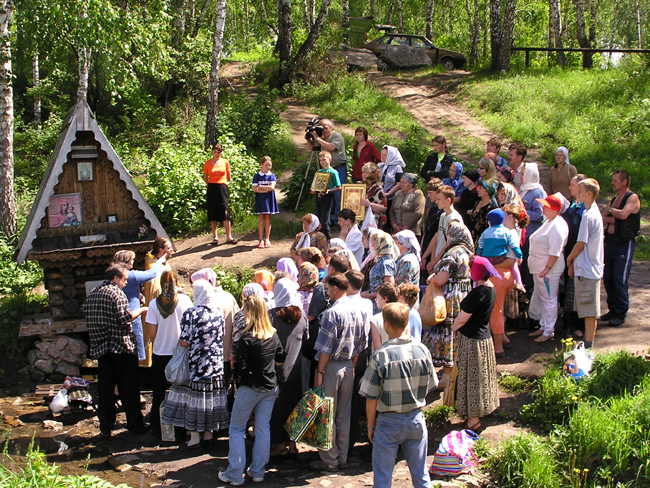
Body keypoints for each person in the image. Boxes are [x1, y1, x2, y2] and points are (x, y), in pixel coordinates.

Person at [360, 302, 437, 488]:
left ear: (386, 324)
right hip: (416, 418)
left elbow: (371, 398)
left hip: (388, 422)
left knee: (383, 477)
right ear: (407, 322)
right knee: (421, 475)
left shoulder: (380, 356)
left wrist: (371, 427)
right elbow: (431, 384)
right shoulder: (422, 350)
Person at [219, 295, 285, 485]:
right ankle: (257, 471)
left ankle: (234, 474)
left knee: (237, 429)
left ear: (250, 312)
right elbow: (280, 358)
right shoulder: (273, 334)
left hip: (250, 387)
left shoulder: (247, 338)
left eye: (245, 309)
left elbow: (240, 367)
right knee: (263, 428)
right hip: (270, 386)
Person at [310, 273, 369, 473]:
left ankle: (329, 459)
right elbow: (361, 344)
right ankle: (342, 456)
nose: (327, 293)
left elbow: (325, 347)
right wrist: (352, 365)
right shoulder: (359, 311)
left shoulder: (331, 313)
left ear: (336, 289)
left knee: (327, 413)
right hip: (349, 365)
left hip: (331, 366)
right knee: (344, 413)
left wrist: (320, 371)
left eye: (328, 289)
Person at [162, 280, 230, 449]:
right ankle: (209, 435)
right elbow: (221, 335)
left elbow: (184, 342)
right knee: (211, 399)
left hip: (197, 365)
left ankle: (194, 438)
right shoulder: (217, 312)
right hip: (215, 365)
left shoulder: (191, 314)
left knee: (195, 401)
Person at [85, 263, 149, 439]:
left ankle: (106, 426)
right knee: (129, 389)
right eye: (124, 280)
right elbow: (125, 318)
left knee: (105, 391)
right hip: (121, 348)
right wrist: (142, 310)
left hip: (101, 351)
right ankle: (135, 425)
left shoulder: (92, 295)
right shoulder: (116, 293)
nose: (125, 283)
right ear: (115, 278)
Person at [451, 256, 500, 431]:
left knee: (472, 379)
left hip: (472, 342)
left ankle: (473, 421)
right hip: (485, 339)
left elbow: (461, 319)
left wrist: (454, 327)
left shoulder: (478, 293)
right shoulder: (491, 289)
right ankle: (480, 413)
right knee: (482, 378)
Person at [424, 221, 473, 389]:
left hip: (450, 299)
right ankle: (453, 372)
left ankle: (447, 376)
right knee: (456, 334)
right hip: (463, 296)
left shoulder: (453, 253)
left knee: (448, 333)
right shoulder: (466, 252)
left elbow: (442, 278)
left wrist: (433, 278)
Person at [145, 270, 193, 440]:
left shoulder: (153, 305)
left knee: (158, 393)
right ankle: (181, 431)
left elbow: (151, 332)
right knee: (181, 393)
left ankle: (158, 430)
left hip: (160, 353)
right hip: (180, 354)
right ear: (176, 283)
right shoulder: (185, 301)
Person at [268, 279, 309, 458]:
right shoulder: (302, 317)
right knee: (293, 409)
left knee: (277, 411)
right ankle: (293, 445)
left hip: (276, 371)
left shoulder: (272, 316)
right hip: (296, 370)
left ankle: (278, 445)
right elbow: (306, 338)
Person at [567, 178, 604, 349]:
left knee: (590, 312)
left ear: (589, 194)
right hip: (588, 268)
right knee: (587, 309)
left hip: (588, 270)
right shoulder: (592, 212)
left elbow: (580, 244)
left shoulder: (588, 216)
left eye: (581, 192)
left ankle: (589, 346)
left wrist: (570, 259)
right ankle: (588, 343)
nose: (578, 194)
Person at [527, 195, 569, 342]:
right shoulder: (550, 222)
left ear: (554, 209)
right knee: (544, 298)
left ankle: (549, 331)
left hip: (547, 270)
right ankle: (543, 326)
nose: (543, 209)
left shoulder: (558, 226)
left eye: (546, 206)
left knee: (549, 299)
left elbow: (555, 252)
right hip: (540, 268)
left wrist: (547, 268)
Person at [601, 169, 641, 327]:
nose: (612, 183)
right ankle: (612, 308)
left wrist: (611, 212)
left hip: (624, 242)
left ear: (624, 182)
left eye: (615, 180)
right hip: (610, 241)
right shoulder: (614, 198)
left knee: (620, 278)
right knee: (608, 277)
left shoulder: (632, 198)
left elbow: (624, 215)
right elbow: (603, 219)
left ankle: (621, 312)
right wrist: (613, 216)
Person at [112, 250, 166, 363]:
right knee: (134, 351)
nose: (133, 262)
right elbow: (152, 274)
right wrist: (159, 262)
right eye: (131, 260)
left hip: (117, 315)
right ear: (126, 262)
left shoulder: (114, 275)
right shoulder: (130, 275)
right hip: (132, 314)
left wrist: (137, 294)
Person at [191, 268, 241, 389]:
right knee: (226, 387)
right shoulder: (228, 297)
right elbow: (238, 323)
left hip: (207, 357)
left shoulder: (203, 303)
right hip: (227, 352)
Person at [561, 175, 588, 337]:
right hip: (568, 252)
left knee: (578, 292)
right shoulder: (573, 205)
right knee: (569, 292)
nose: (569, 188)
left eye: (572, 185)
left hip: (579, 255)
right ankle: (569, 323)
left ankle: (580, 327)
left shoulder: (585, 210)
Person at [308, 119, 347, 224]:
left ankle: (338, 220)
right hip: (326, 171)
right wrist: (309, 139)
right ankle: (327, 220)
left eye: (325, 127)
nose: (323, 130)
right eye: (321, 127)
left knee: (338, 195)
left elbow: (331, 147)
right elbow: (314, 149)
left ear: (331, 128)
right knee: (326, 194)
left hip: (338, 168)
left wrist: (318, 138)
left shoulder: (336, 136)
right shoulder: (322, 139)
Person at [203, 142, 237, 246]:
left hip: (222, 187)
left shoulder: (225, 162)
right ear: (212, 152)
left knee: (225, 211)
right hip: (212, 188)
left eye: (219, 152)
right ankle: (215, 237)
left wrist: (222, 183)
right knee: (212, 211)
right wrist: (210, 185)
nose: (217, 154)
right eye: (215, 152)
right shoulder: (207, 163)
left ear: (221, 153)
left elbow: (228, 176)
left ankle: (229, 237)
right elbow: (205, 177)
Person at [423, 185, 463, 273]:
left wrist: (434, 262)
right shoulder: (443, 215)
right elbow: (437, 236)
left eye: (439, 199)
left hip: (447, 262)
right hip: (438, 261)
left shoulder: (454, 219)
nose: (436, 202)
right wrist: (432, 259)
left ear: (448, 200)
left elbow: (449, 244)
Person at [362, 230, 398, 310]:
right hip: (376, 300)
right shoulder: (381, 260)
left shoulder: (386, 263)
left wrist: (369, 295)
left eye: (375, 243)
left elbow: (389, 287)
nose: (373, 245)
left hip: (381, 304)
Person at [311, 151, 342, 241]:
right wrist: (313, 190)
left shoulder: (333, 172)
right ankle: (319, 239)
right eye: (320, 160)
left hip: (327, 197)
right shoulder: (319, 172)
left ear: (330, 160)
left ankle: (328, 240)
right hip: (319, 196)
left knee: (324, 221)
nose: (322, 162)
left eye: (324, 160)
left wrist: (329, 190)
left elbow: (338, 187)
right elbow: (315, 185)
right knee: (317, 219)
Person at [252, 156, 278, 249]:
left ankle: (267, 239)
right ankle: (260, 239)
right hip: (260, 199)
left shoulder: (272, 175)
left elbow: (271, 188)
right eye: (266, 165)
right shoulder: (257, 176)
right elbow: (254, 189)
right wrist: (265, 189)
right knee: (261, 219)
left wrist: (260, 186)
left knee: (267, 218)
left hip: (269, 199)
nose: (268, 167)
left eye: (270, 165)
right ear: (261, 165)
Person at [378, 145, 406, 229]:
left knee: (388, 219)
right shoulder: (380, 166)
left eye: (385, 155)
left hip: (391, 197)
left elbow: (399, 183)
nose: (383, 157)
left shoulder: (397, 167)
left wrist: (389, 193)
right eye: (382, 154)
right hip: (379, 196)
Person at [420, 178, 444, 268]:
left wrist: (427, 256)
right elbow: (427, 230)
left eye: (431, 193)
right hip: (426, 248)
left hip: (435, 251)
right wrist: (421, 252)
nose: (428, 195)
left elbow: (437, 235)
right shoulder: (433, 209)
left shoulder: (442, 212)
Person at [468, 179, 498, 249]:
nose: (477, 190)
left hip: (482, 240)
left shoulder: (491, 207)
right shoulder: (477, 203)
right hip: (472, 237)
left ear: (487, 191)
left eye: (480, 188)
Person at [369, 283, 399, 349]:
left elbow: (377, 347)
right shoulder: (403, 317)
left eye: (377, 297)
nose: (375, 300)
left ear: (385, 298)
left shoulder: (375, 320)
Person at [360, 162, 388, 228]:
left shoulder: (378, 189)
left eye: (367, 173)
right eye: (363, 172)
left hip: (372, 222)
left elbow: (384, 208)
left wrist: (369, 204)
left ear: (373, 175)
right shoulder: (360, 186)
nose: (364, 174)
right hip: (360, 221)